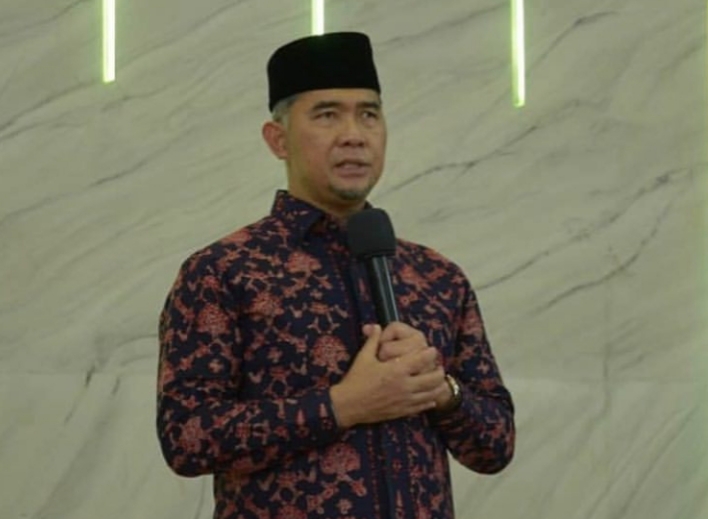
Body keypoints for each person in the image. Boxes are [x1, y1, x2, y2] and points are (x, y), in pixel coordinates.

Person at [157, 32, 515, 519]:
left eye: (369, 114)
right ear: (278, 140)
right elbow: (186, 437)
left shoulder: (436, 276)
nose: (354, 135)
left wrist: (442, 391)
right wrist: (344, 405)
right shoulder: (223, 272)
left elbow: (495, 447)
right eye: (327, 115)